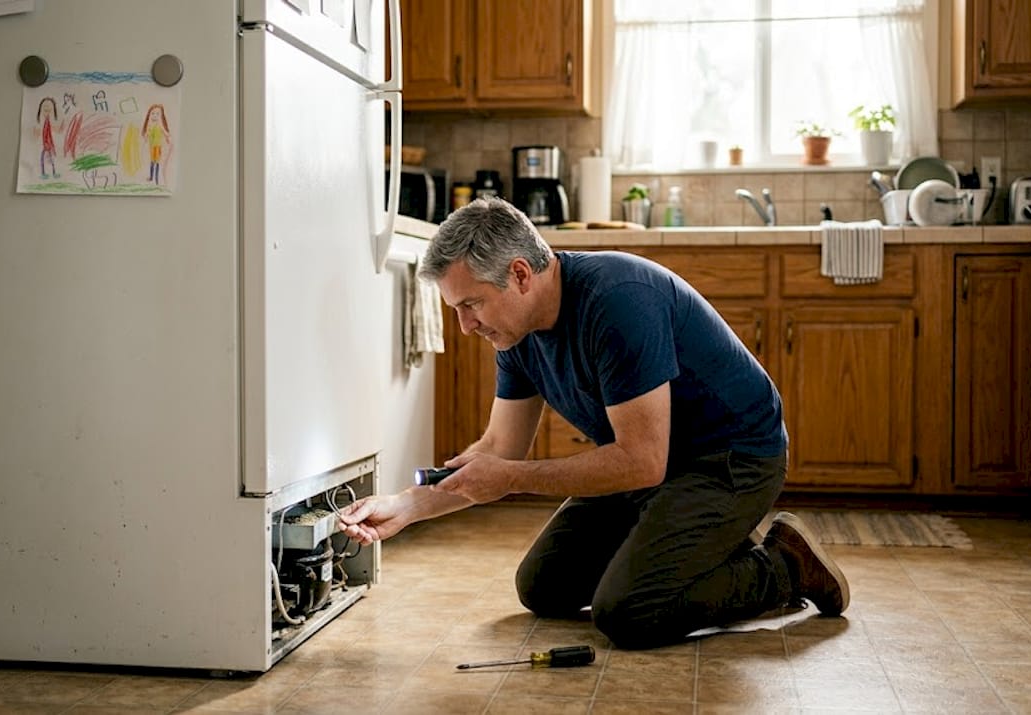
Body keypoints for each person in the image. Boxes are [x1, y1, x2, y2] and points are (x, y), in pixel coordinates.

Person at [338, 197, 849, 649]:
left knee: (629, 613)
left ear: (519, 275)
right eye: (457, 308)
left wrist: (513, 479)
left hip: (731, 458)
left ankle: (785, 566)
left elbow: (640, 462)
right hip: (651, 464)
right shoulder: (516, 332)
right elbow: (499, 447)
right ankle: (700, 542)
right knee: (544, 588)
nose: (466, 325)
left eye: (471, 304)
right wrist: (404, 506)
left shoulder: (618, 300)